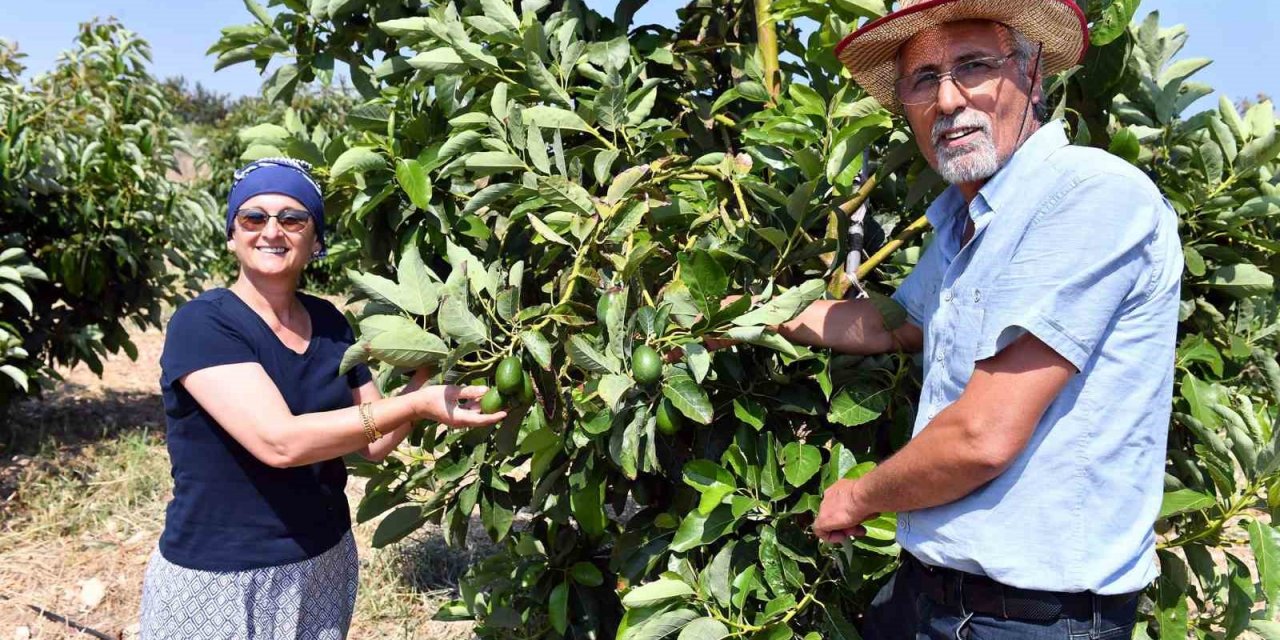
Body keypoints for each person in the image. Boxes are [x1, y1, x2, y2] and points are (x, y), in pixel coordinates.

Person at [764, 0, 1182, 637]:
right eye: (923, 79)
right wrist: (758, 318)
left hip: (1035, 620)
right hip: (929, 593)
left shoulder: (1091, 196)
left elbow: (983, 436)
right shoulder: (966, 221)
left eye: (974, 66)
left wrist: (856, 497)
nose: (948, 99)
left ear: (1031, 75)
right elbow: (894, 324)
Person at [139, 158, 505, 639]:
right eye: (253, 217)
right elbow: (279, 443)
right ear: (232, 235)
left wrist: (430, 372)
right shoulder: (204, 324)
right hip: (221, 574)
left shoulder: (330, 322)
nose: (272, 230)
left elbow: (373, 440)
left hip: (322, 560)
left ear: (315, 241)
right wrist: (416, 405)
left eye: (293, 219)